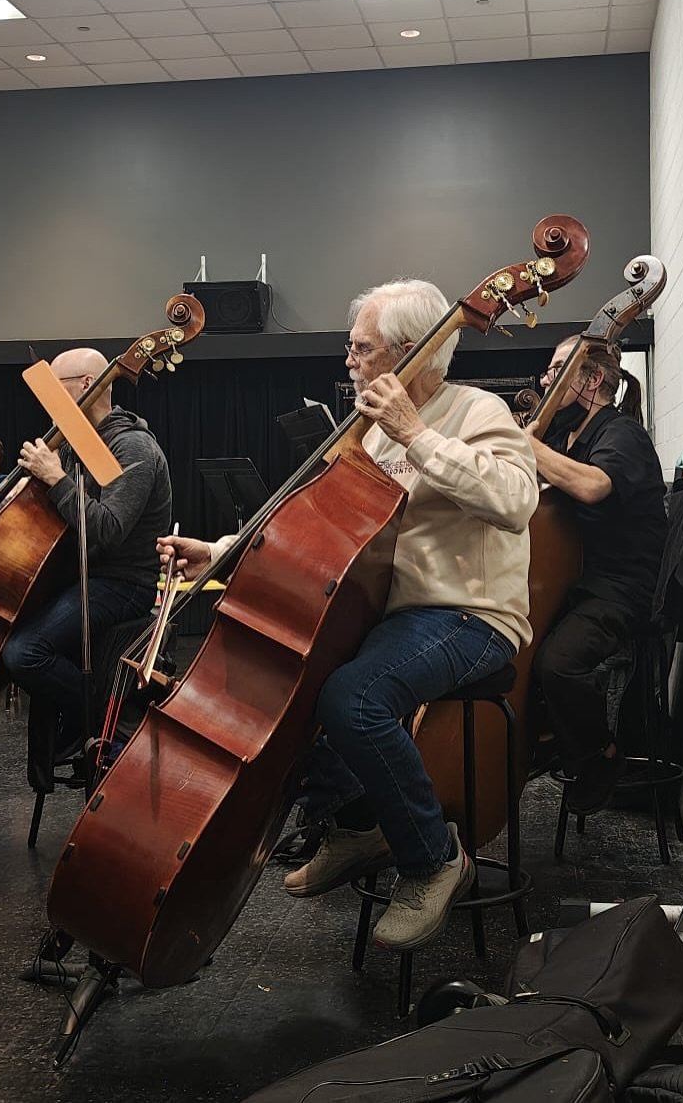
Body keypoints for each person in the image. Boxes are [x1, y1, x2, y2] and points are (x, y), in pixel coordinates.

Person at [157, 279, 538, 952]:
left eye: (362, 348)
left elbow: (514, 501)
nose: (349, 361)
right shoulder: (367, 434)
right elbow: (313, 532)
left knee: (354, 698)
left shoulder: (476, 411)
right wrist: (220, 553)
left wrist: (414, 433)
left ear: (410, 351)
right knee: (294, 692)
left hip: (470, 614)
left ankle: (433, 858)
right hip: (395, 617)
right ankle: (361, 820)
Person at [2, 348, 172, 759]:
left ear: (86, 386)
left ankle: (100, 718)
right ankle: (78, 722)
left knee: (24, 653)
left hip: (122, 583)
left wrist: (56, 479)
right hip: (83, 577)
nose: (49, 404)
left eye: (55, 390)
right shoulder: (77, 444)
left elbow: (108, 530)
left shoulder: (134, 448)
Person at [527, 336, 667, 816]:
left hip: (622, 587)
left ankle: (600, 755)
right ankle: (545, 739)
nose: (547, 380)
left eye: (558, 369)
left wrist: (524, 445)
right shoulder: (565, 434)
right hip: (576, 581)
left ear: (591, 380)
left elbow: (592, 486)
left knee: (557, 662)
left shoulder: (621, 433)